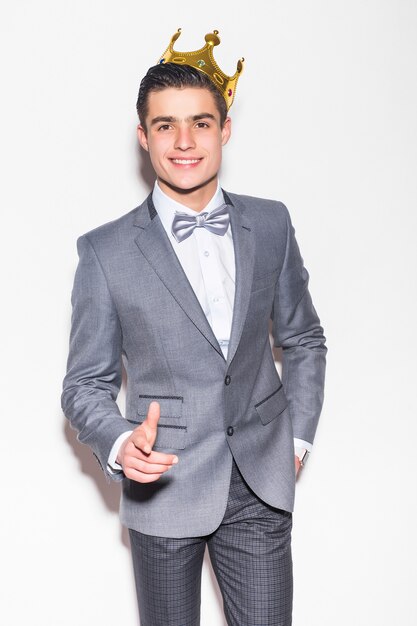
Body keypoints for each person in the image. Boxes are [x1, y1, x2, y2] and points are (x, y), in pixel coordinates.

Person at [62, 28, 327, 626]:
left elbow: (304, 338)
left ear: (225, 129)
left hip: (259, 480)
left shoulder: (271, 223)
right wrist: (122, 443)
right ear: (143, 136)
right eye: (166, 126)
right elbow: (83, 385)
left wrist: (297, 439)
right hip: (164, 487)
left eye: (201, 123)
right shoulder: (104, 253)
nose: (185, 142)